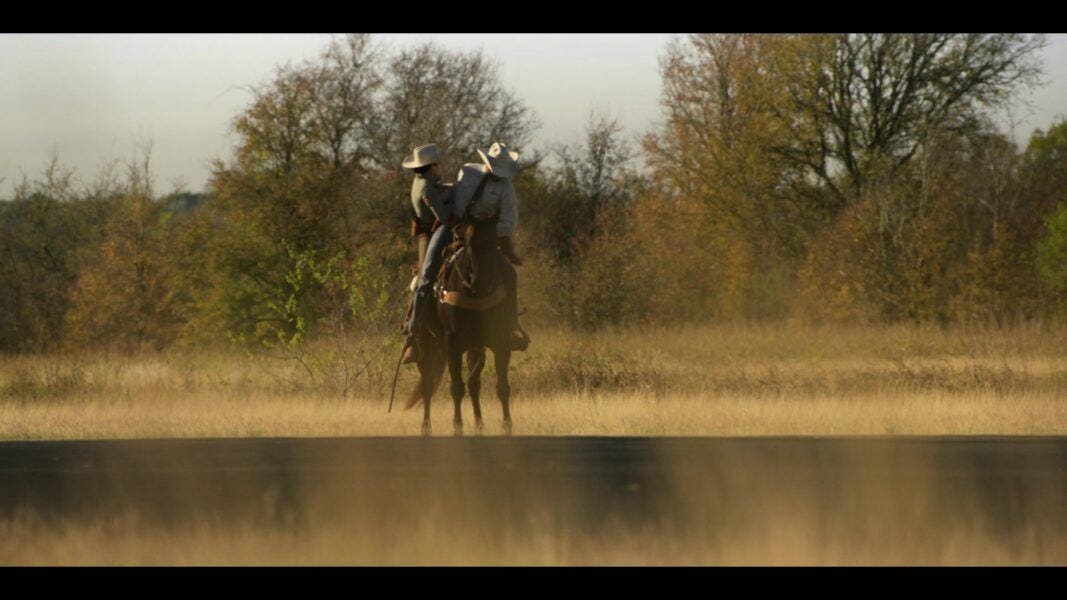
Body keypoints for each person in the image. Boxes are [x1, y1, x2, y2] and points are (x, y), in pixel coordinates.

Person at [450, 142, 527, 351]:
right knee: (428, 268)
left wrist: (484, 233)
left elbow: (509, 222)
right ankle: (418, 327)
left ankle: (510, 325)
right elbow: (456, 201)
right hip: (455, 229)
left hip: (485, 239)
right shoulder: (466, 171)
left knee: (510, 275)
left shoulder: (506, 188)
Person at [401, 143, 454, 364]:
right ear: (432, 166)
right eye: (438, 164)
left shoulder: (425, 183)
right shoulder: (426, 189)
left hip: (429, 231)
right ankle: (412, 332)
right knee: (425, 280)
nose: (440, 167)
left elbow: (440, 190)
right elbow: (443, 217)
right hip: (433, 233)